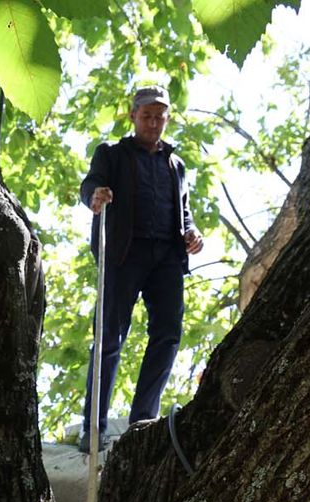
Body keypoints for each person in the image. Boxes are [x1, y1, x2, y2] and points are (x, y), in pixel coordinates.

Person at [77, 85, 204, 453]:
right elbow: (90, 185)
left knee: (168, 334)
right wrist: (96, 197)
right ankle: (94, 428)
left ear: (167, 119)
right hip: (124, 254)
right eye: (146, 115)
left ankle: (143, 420)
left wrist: (192, 232)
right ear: (133, 116)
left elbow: (184, 212)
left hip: (166, 256)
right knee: (109, 338)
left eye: (159, 116)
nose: (153, 122)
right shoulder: (112, 155)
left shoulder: (176, 164)